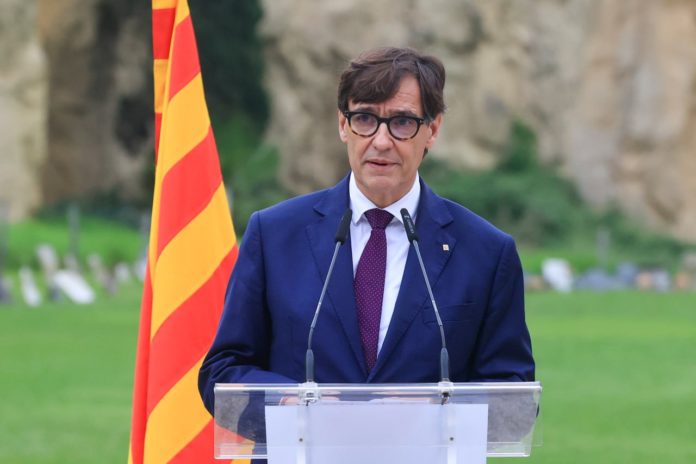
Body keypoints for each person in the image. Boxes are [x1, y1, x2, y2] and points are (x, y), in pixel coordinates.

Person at [198, 47, 534, 414]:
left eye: (402, 122)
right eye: (365, 118)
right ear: (343, 125)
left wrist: (435, 405)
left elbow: (513, 397)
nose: (381, 140)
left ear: (432, 129)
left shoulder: (486, 251)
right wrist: (291, 400)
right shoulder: (274, 234)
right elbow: (222, 372)